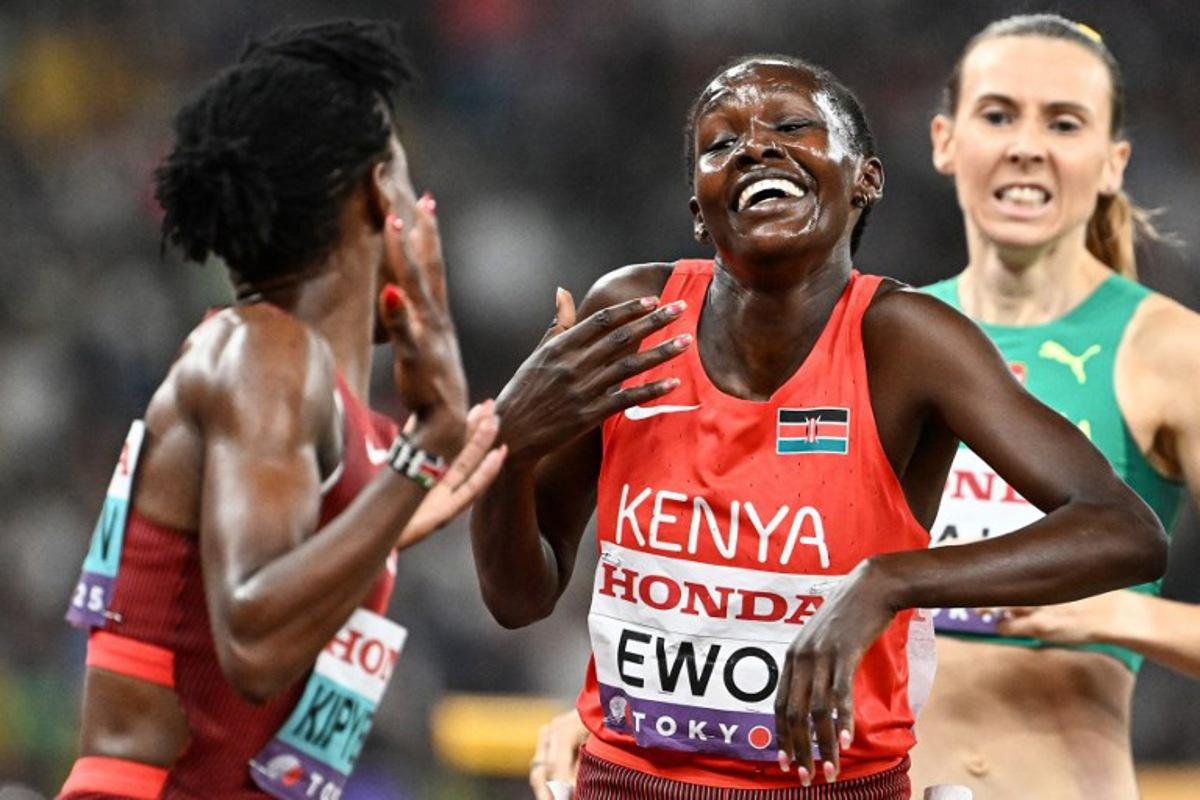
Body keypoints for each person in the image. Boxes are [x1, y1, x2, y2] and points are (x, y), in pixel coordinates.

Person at [472, 53, 1166, 799]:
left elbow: (1123, 531)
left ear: (866, 179)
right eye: (721, 142)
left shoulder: (905, 342)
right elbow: (519, 600)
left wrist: (889, 581)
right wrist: (510, 448)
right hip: (625, 784)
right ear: (699, 209)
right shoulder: (635, 317)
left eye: (793, 126)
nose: (754, 147)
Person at [57, 20, 505, 800]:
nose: (423, 207)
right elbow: (254, 642)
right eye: (407, 179)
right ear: (376, 195)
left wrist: (398, 501)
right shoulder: (264, 353)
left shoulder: (283, 377)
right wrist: (421, 454)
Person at [908, 14, 1200, 799]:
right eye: (998, 114)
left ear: (1112, 163)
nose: (1027, 146)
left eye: (1064, 123)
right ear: (945, 140)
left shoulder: (1172, 353)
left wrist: (1116, 614)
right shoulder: (882, 338)